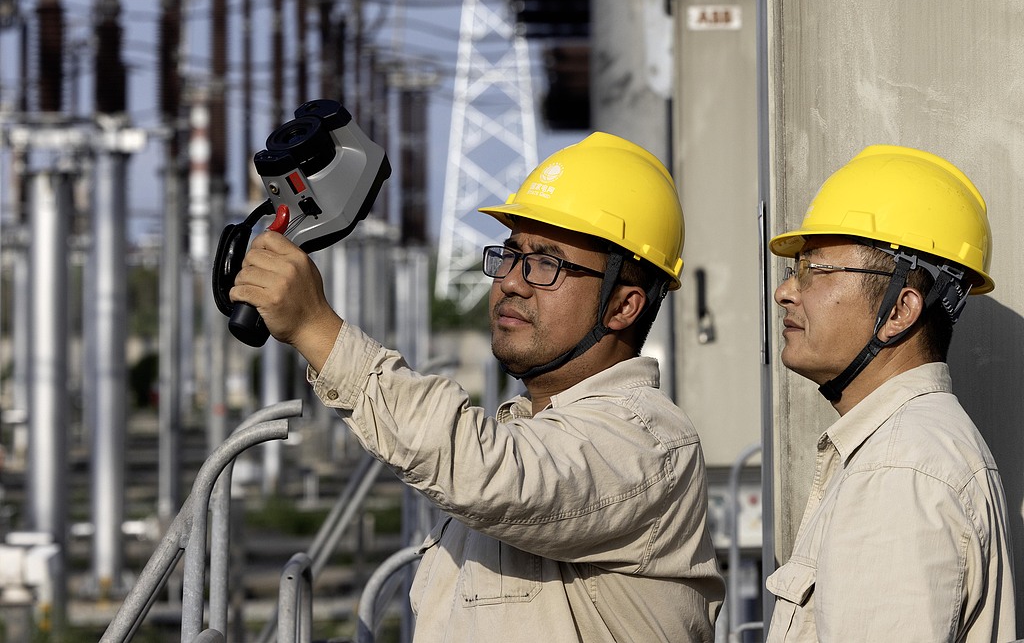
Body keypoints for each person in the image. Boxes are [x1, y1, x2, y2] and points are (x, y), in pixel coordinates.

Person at [231, 132, 725, 642]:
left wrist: (317, 329)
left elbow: (483, 472)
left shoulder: (645, 440)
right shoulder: (529, 433)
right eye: (511, 255)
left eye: (547, 264)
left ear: (624, 306)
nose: (511, 280)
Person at [765, 145, 1017, 642]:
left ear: (900, 310)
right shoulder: (908, 449)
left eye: (816, 270)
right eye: (796, 269)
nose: (786, 291)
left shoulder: (899, 471)